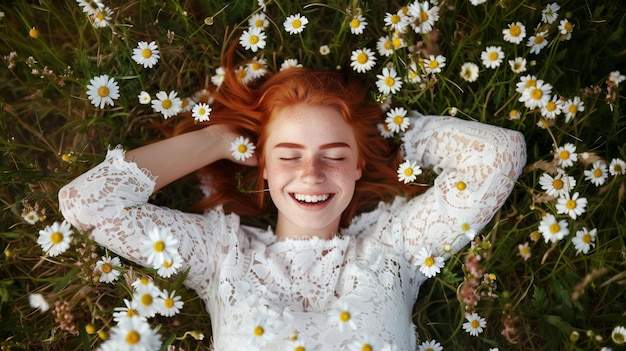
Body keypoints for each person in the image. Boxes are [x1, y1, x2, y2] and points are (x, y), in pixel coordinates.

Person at [58, 51, 526, 350]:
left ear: (358, 165)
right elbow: (86, 204)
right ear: (261, 165)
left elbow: (500, 155)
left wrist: (395, 132)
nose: (311, 174)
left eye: (335, 155)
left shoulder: (394, 247)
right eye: (288, 156)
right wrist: (220, 141)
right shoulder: (219, 254)